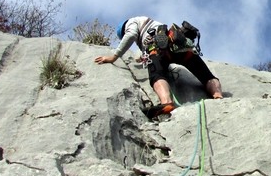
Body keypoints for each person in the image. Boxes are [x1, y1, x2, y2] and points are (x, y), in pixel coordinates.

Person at [95, 16, 223, 116]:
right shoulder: (149, 22)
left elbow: (131, 34)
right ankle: (217, 95)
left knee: (157, 75)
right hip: (178, 44)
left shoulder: (131, 23)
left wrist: (114, 57)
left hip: (158, 49)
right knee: (206, 75)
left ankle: (166, 103)